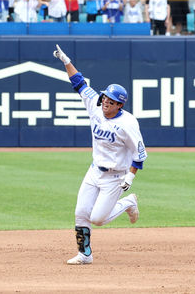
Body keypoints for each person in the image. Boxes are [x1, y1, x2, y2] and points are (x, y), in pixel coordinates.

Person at [52, 44, 145, 265]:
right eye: (104, 98)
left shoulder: (128, 123)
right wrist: (66, 61)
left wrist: (130, 177)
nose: (105, 103)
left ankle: (129, 202)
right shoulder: (96, 106)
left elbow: (139, 153)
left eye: (111, 101)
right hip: (94, 171)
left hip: (115, 176)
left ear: (120, 105)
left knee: (98, 219)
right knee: (81, 212)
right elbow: (79, 83)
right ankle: (85, 254)